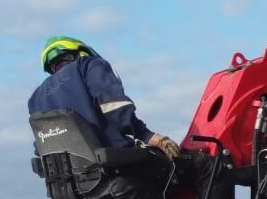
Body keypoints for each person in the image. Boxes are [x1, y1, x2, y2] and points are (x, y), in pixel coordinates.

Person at [29, 36, 180, 159]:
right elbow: (116, 107)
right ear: (81, 52)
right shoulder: (89, 65)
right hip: (115, 170)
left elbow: (41, 147)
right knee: (194, 167)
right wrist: (146, 135)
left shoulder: (35, 98)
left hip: (71, 188)